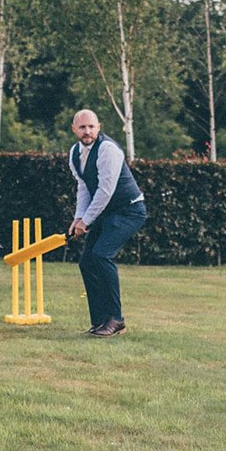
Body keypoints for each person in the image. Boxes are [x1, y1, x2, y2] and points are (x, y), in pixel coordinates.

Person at [66, 108, 146, 338]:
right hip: (108, 212)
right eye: (82, 127)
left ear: (98, 127)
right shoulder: (74, 153)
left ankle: (116, 319)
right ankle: (101, 321)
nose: (87, 131)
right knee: (87, 262)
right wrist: (78, 218)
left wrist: (87, 220)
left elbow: (105, 191)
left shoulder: (108, 150)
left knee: (101, 255)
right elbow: (84, 187)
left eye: (91, 126)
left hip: (129, 210)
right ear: (74, 129)